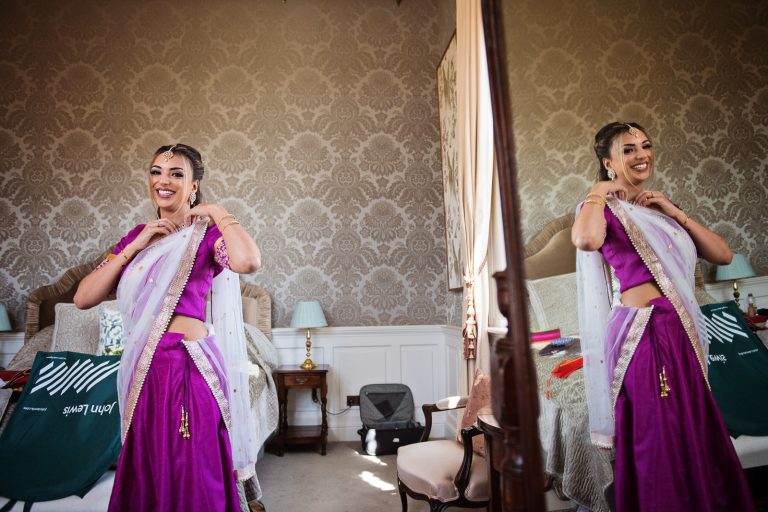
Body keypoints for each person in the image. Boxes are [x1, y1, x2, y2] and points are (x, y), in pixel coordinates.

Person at [571, 122, 755, 511]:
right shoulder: (599, 208)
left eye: (646, 145)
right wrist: (598, 191)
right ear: (608, 162)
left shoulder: (661, 211)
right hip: (645, 332)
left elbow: (723, 255)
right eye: (628, 150)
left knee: (690, 426)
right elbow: (586, 240)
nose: (642, 155)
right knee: (658, 430)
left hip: (680, 331)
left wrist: (675, 213)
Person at [74, 143, 262, 512]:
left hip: (188, 367)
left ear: (193, 185)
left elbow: (248, 261)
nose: (164, 181)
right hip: (146, 372)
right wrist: (135, 245)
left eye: (177, 174)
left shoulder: (207, 235)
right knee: (151, 468)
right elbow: (83, 298)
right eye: (156, 172)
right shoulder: (137, 238)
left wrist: (218, 212)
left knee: (193, 467)